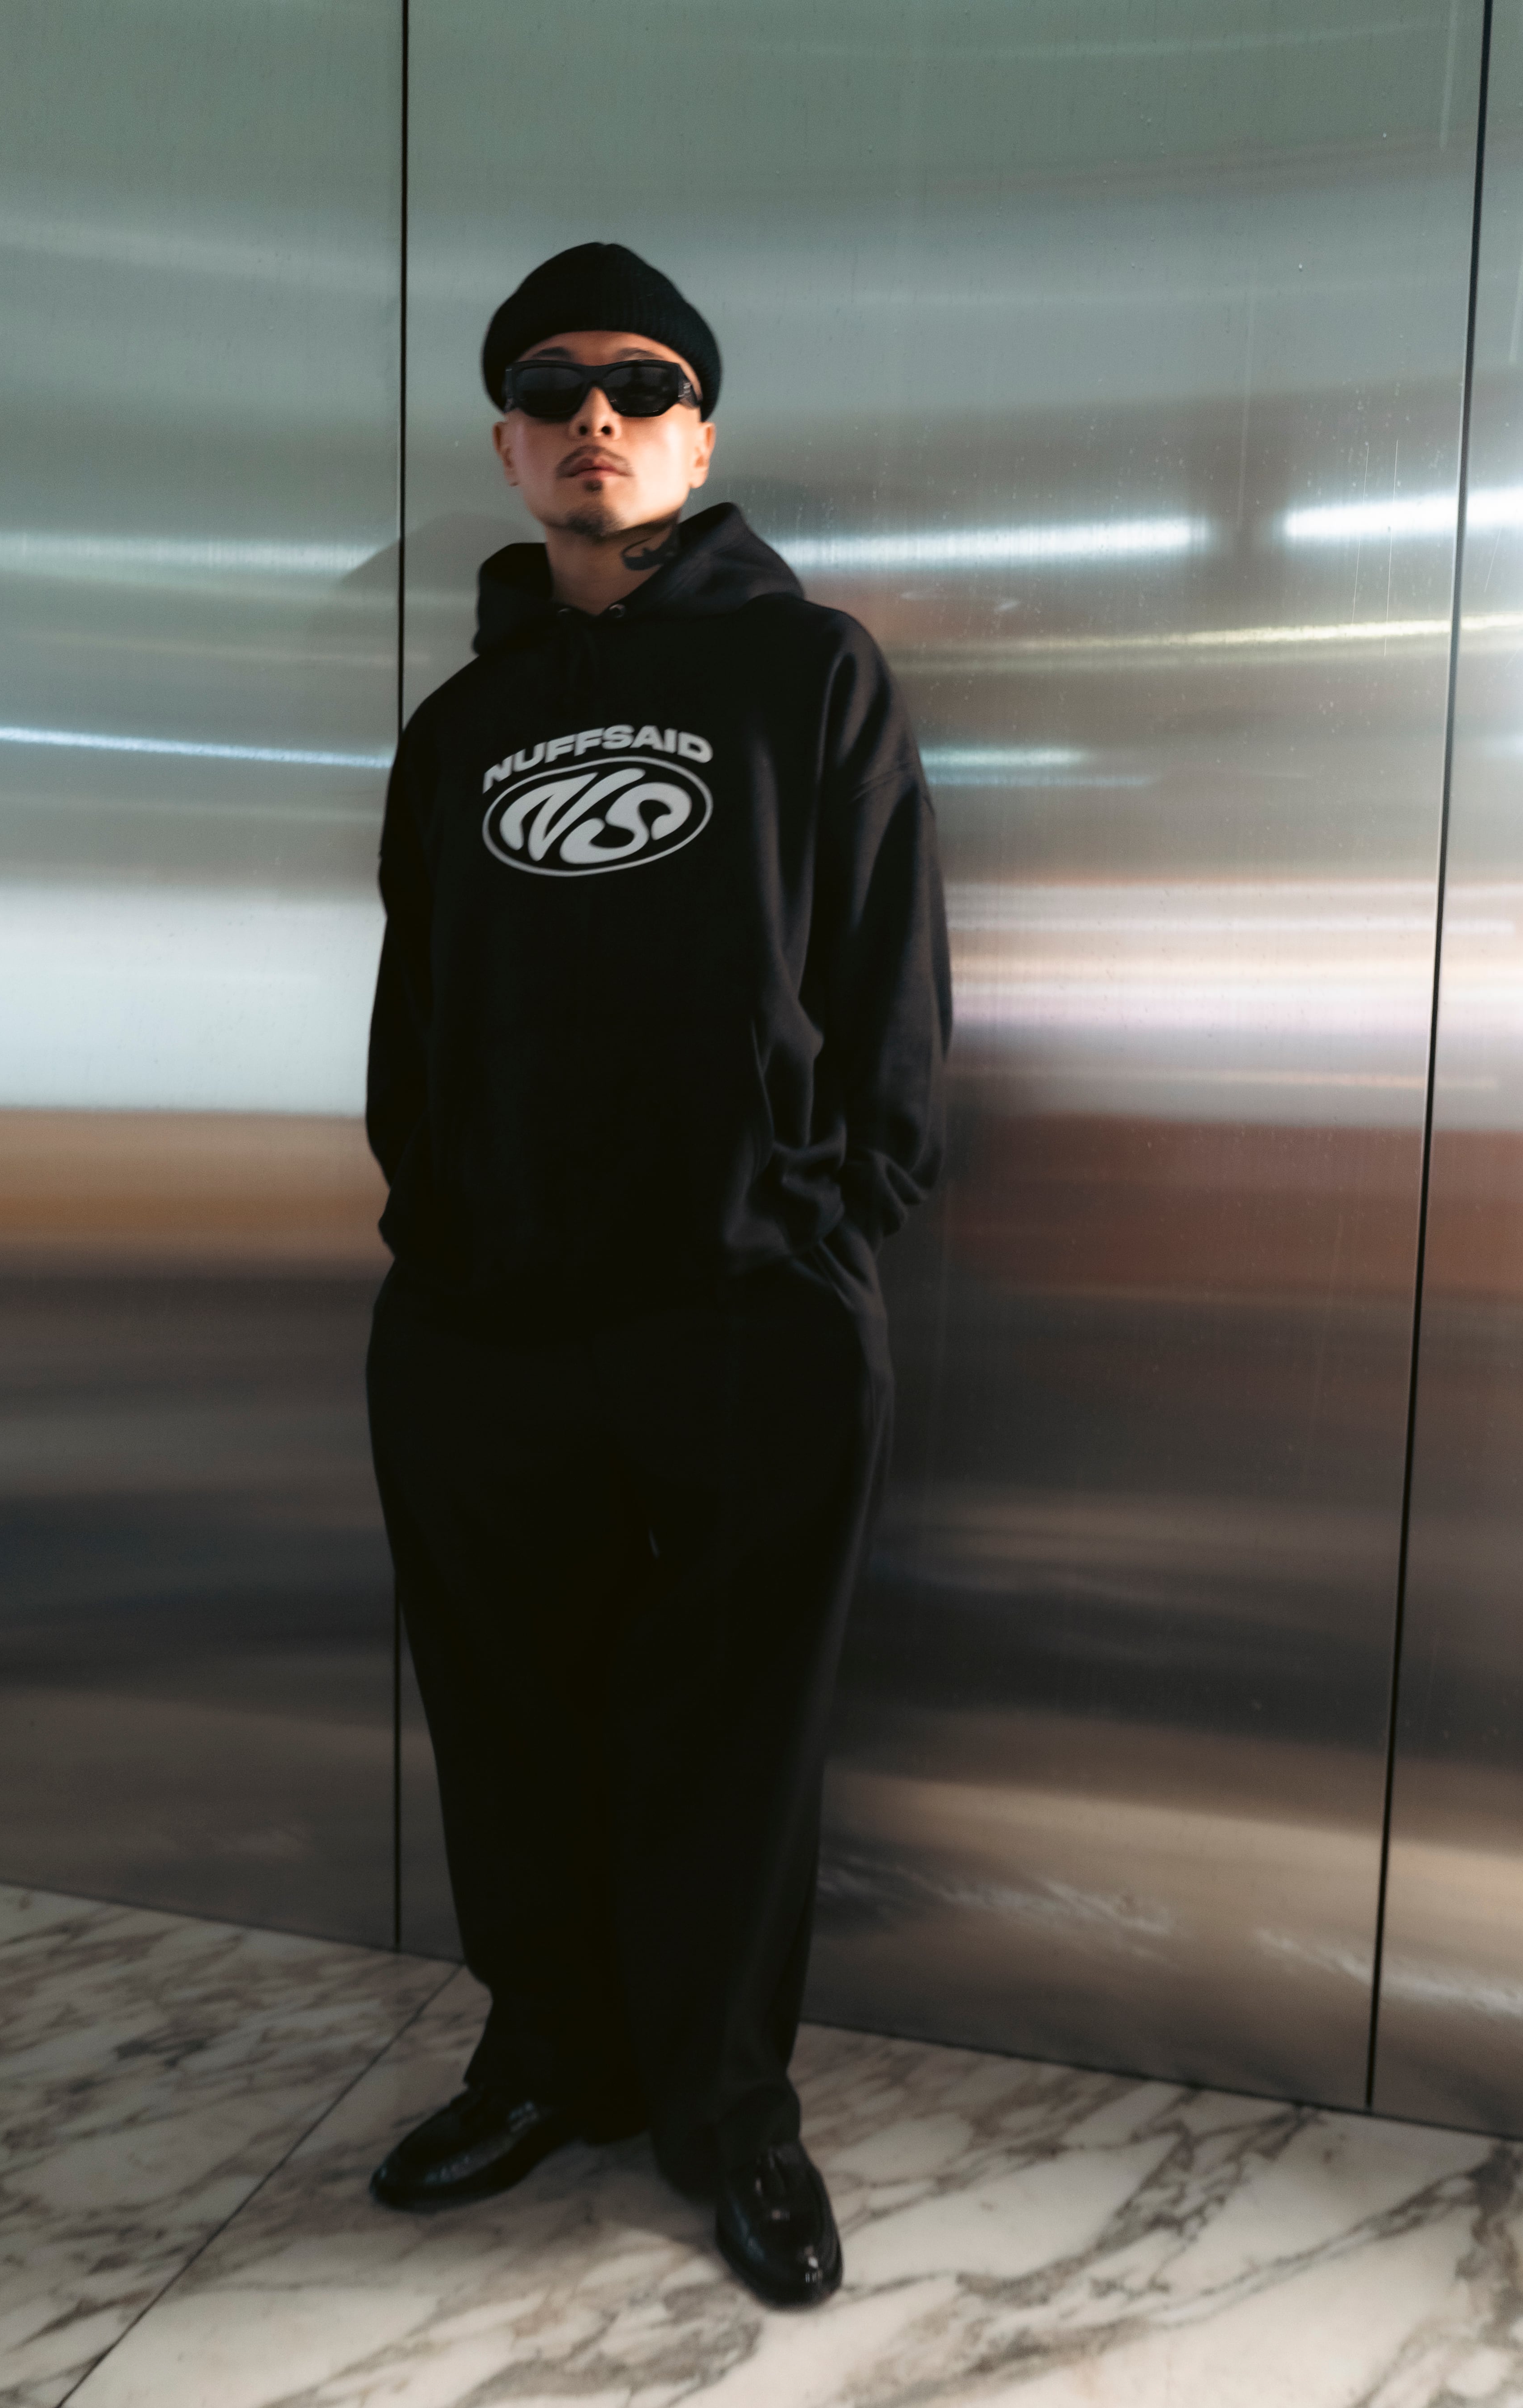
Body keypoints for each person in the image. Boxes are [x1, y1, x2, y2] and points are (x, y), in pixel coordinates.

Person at [363, 240, 950, 2310]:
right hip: (484, 1321)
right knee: (510, 1717)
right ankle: (552, 2058)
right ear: (507, 444)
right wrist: (435, 1237)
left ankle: (723, 2109)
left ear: (697, 437)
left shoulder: (809, 674)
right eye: (549, 388)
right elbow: (415, 1016)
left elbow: (887, 986)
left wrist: (827, 1227)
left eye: (637, 384)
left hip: (743, 1309)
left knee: (733, 1733)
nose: (590, 414)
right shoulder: (461, 724)